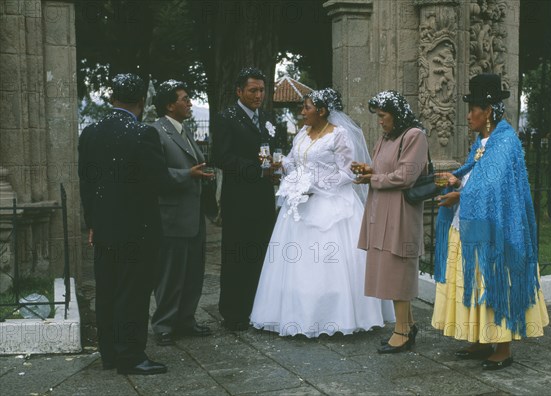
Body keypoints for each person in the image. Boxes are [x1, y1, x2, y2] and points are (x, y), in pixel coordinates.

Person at [250, 88, 394, 337]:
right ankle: (297, 313)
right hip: (300, 205)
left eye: (306, 107)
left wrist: (317, 185)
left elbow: (347, 172)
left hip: (332, 203)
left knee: (333, 262)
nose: (302, 112)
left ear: (322, 110)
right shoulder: (303, 134)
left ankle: (338, 314)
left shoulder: (340, 135)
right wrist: (281, 164)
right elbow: (295, 161)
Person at [431, 73, 549, 370]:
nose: (468, 114)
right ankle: (481, 339)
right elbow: (477, 175)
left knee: (494, 279)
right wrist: (457, 179)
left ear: (489, 111)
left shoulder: (506, 140)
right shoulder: (482, 141)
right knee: (473, 280)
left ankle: (503, 347)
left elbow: (496, 186)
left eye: (473, 108)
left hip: (497, 227)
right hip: (472, 221)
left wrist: (460, 194)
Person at [78, 74, 170, 375]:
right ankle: (130, 355)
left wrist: (92, 222)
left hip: (104, 229)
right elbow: (158, 182)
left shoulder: (90, 133)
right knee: (133, 291)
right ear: (141, 101)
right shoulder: (144, 134)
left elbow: (86, 184)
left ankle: (109, 354)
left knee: (107, 290)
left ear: (112, 97)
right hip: (138, 229)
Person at [355, 91, 428, 354]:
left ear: (396, 115)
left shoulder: (414, 136)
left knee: (399, 268)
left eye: (383, 116)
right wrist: (367, 170)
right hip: (382, 210)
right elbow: (384, 169)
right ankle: (406, 325)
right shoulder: (388, 137)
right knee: (389, 266)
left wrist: (372, 179)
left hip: (401, 211)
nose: (380, 121)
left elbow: (406, 176)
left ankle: (402, 332)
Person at [212, 67, 277, 331]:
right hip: (238, 198)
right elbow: (221, 156)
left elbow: (276, 147)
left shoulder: (268, 118)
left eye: (261, 90)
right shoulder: (226, 118)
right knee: (236, 254)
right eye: (253, 90)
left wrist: (278, 164)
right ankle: (233, 312)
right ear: (239, 91)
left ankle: (257, 307)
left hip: (263, 197)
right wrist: (255, 169)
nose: (258, 95)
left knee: (260, 253)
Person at [150, 80, 213, 346]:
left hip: (194, 215)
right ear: (169, 105)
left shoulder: (184, 130)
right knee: (171, 274)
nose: (189, 103)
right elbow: (155, 175)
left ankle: (186, 319)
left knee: (193, 272)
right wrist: (188, 174)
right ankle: (163, 324)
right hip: (172, 217)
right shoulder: (156, 132)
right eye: (184, 99)